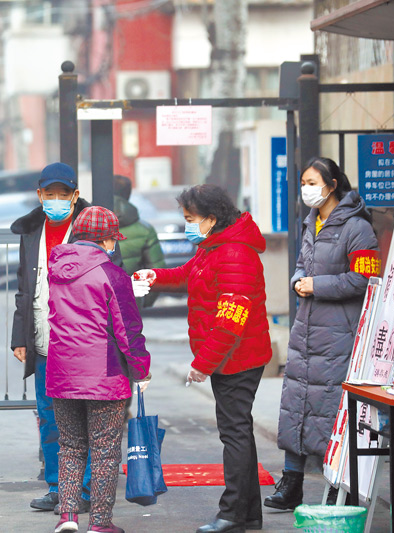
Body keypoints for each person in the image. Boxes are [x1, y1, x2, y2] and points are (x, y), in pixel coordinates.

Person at [135, 184, 271, 533]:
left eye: (191, 219)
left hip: (238, 359)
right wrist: (155, 276)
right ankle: (248, 514)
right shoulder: (214, 247)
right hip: (230, 357)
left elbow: (230, 322)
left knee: (235, 433)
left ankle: (232, 515)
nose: (187, 226)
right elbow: (187, 275)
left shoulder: (235, 254)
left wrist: (202, 363)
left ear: (212, 219)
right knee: (238, 432)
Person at [265, 157, 378, 511]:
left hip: (338, 334)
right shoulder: (311, 222)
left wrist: (318, 285)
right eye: (302, 182)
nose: (305, 189)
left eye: (312, 182)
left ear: (331, 185)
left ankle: (335, 488)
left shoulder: (358, 229)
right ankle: (291, 484)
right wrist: (298, 280)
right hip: (307, 329)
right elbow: (303, 265)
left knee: (328, 410)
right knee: (296, 404)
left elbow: (364, 280)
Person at [11, 162, 122, 513]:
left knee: (87, 421)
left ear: (75, 196)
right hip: (45, 341)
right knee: (49, 417)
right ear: (40, 195)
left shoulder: (91, 228)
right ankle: (59, 487)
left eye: (63, 194)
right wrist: (21, 337)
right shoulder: (32, 232)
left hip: (85, 345)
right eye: (50, 194)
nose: (56, 200)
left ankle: (86, 490)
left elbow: (114, 283)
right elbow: (23, 288)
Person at [47, 206, 150, 533]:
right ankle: (101, 523)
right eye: (111, 240)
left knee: (70, 446)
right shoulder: (111, 274)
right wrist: (141, 370)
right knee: (105, 450)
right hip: (103, 373)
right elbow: (128, 329)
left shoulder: (56, 269)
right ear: (106, 239)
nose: (113, 246)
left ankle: (67, 516)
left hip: (62, 371)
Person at [112, 175, 166, 308]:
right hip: (129, 305)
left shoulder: (86, 225)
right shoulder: (145, 230)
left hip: (96, 307)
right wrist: (142, 301)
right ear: (128, 194)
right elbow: (156, 271)